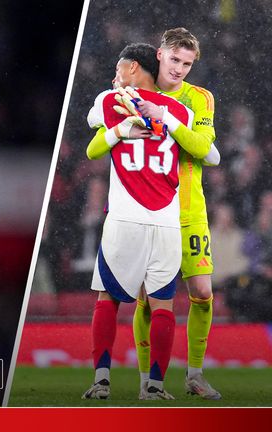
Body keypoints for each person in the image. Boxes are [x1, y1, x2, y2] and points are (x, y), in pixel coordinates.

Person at [81, 43, 210, 400]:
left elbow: (93, 145)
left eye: (120, 69)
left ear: (133, 67)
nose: (115, 75)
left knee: (108, 299)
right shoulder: (179, 111)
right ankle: (154, 387)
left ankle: (101, 381)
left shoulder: (110, 100)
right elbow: (205, 151)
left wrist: (120, 128)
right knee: (163, 306)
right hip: (168, 221)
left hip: (125, 218)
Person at [130, 28, 222, 400]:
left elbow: (202, 146)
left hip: (189, 209)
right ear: (160, 54)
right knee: (147, 299)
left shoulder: (200, 98)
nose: (180, 69)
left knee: (202, 292)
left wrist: (167, 120)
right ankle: (146, 381)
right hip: (149, 208)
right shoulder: (138, 92)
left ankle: (195, 374)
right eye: (174, 60)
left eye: (187, 63)